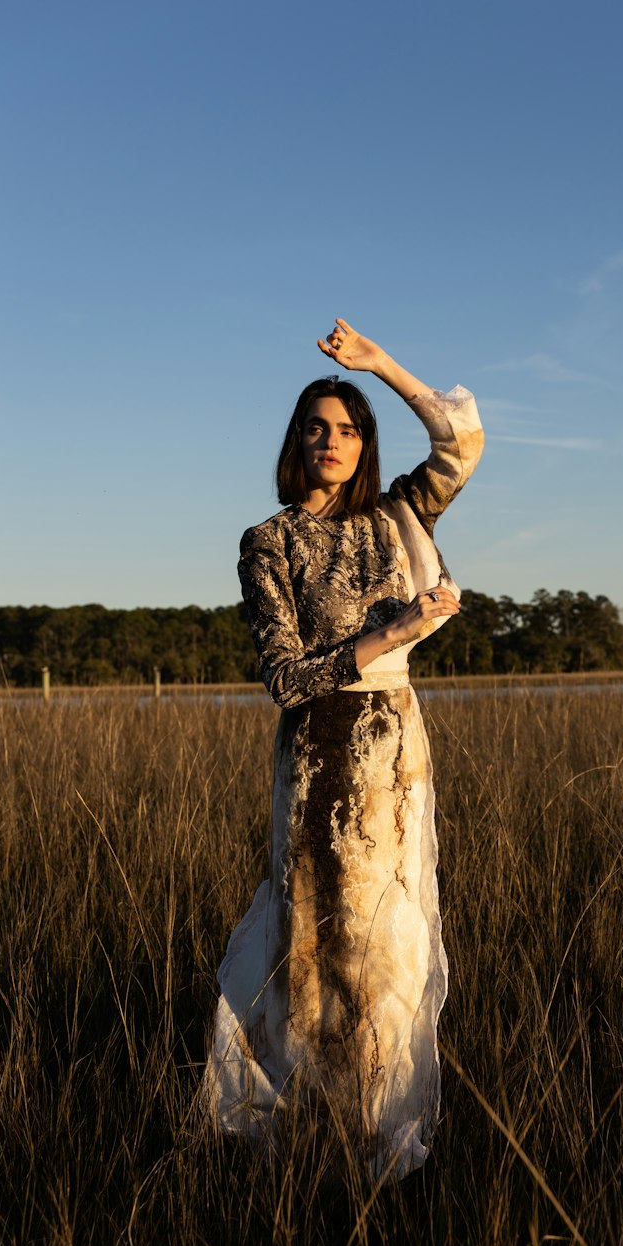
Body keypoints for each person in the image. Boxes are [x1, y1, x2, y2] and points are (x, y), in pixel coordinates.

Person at [201, 321, 484, 1179]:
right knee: (318, 944)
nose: (332, 442)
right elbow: (285, 678)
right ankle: (314, 1135)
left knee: (389, 939)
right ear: (295, 442)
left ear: (365, 446)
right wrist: (399, 627)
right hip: (321, 754)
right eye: (317, 428)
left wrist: (380, 365)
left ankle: (374, 1128)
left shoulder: (398, 512)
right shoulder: (271, 541)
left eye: (349, 429)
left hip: (395, 750)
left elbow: (462, 441)